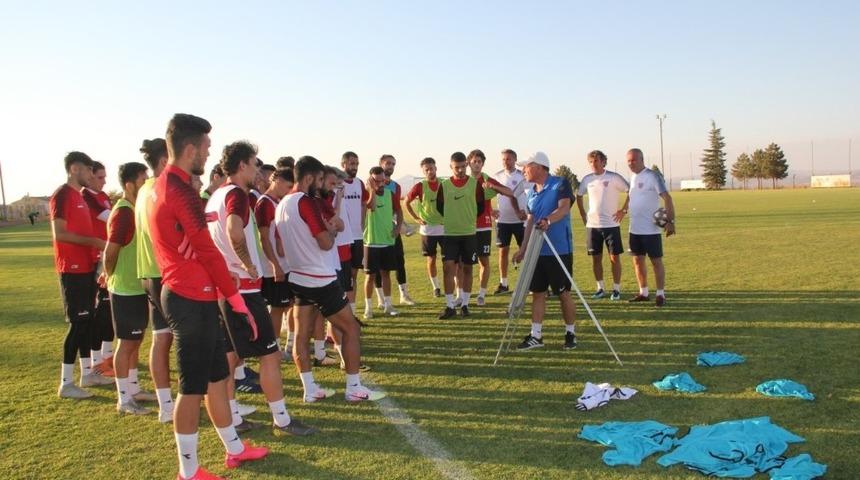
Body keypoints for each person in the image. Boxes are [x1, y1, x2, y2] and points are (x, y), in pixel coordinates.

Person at [149, 114, 268, 480]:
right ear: (190, 149)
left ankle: (234, 449)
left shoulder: (164, 185)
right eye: (206, 147)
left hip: (196, 295)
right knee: (192, 388)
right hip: (188, 299)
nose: (208, 154)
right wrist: (237, 301)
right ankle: (188, 471)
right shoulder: (178, 190)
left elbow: (193, 246)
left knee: (217, 377)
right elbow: (205, 250)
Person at [206, 141, 317, 437]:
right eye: (255, 163)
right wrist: (246, 263)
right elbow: (234, 231)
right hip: (242, 291)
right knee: (269, 356)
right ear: (242, 165)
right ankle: (282, 419)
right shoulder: (236, 195)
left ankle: (233, 417)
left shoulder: (215, 196)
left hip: (224, 289)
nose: (258, 170)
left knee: (231, 356)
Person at [275, 156, 384, 403]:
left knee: (301, 335)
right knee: (351, 328)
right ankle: (354, 387)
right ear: (309, 178)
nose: (322, 184)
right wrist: (331, 232)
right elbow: (325, 242)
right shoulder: (305, 202)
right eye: (320, 179)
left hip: (298, 276)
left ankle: (310, 389)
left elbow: (282, 245)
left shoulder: (282, 204)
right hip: (319, 277)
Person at [51, 151, 110, 399]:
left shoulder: (79, 196)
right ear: (75, 169)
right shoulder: (62, 194)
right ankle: (66, 384)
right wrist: (95, 241)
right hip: (72, 268)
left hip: (87, 267)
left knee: (86, 321)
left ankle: (87, 374)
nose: (90, 174)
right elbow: (60, 234)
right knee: (78, 324)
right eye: (87, 170)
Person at [513, 152, 577, 350]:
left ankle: (570, 333)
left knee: (563, 293)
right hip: (536, 251)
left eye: (526, 167)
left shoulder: (560, 183)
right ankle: (536, 335)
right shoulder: (531, 191)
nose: (523, 170)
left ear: (539, 167)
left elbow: (564, 208)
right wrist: (523, 248)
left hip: (559, 249)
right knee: (538, 293)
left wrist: (548, 220)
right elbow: (530, 220)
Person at [103, 161, 154, 415]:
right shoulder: (123, 213)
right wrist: (109, 275)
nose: (146, 183)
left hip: (137, 286)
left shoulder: (135, 208)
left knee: (136, 340)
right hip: (125, 288)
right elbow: (110, 252)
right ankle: (124, 399)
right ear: (129, 184)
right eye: (143, 179)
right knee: (126, 343)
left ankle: (134, 388)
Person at [135, 138, 176, 423]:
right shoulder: (161, 189)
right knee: (185, 339)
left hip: (149, 273)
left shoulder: (143, 190)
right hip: (165, 273)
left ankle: (166, 406)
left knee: (162, 338)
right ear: (164, 161)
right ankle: (194, 401)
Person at [575, 150, 630, 301]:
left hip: (611, 225)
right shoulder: (587, 179)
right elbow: (578, 196)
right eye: (591, 162)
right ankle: (600, 288)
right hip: (592, 226)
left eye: (596, 161)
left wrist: (623, 210)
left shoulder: (613, 177)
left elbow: (630, 191)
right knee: (596, 259)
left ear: (603, 162)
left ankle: (616, 289)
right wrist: (583, 214)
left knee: (614, 258)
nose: (593, 164)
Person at [436, 152, 485, 319]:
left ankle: (465, 305)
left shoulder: (475, 184)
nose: (460, 170)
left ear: (467, 165)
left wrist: (467, 219)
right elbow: (440, 207)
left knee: (468, 268)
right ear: (451, 167)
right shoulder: (444, 185)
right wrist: (453, 219)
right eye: (457, 167)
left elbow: (480, 208)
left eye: (463, 166)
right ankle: (450, 306)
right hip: (450, 234)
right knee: (448, 268)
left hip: (469, 233)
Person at [625, 148, 675, 307]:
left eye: (634, 160)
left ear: (642, 159)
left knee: (656, 262)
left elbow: (667, 198)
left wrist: (670, 221)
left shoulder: (652, 176)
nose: (631, 163)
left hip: (651, 230)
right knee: (637, 261)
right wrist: (623, 210)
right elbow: (631, 197)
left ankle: (660, 294)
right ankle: (643, 292)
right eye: (628, 161)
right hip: (634, 229)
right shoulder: (633, 178)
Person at [467, 149, 516, 306]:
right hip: (466, 227)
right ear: (469, 163)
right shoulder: (463, 180)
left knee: (484, 261)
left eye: (479, 162)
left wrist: (493, 187)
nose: (477, 164)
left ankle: (481, 294)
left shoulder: (487, 179)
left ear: (483, 164)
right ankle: (462, 295)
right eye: (474, 161)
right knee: (463, 264)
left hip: (483, 227)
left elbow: (509, 192)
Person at [255, 168, 294, 355]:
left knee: (291, 304)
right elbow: (264, 238)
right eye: (287, 186)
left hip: (285, 264)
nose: (288, 191)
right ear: (277, 180)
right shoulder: (264, 203)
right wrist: (275, 265)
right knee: (277, 308)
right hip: (274, 267)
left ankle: (290, 344)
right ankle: (275, 347)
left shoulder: (278, 202)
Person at [82, 161, 115, 375]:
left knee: (110, 308)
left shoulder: (103, 196)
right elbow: (109, 218)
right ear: (90, 175)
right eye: (100, 177)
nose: (104, 181)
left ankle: (107, 355)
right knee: (100, 309)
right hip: (94, 258)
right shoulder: (86, 196)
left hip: (107, 254)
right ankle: (96, 359)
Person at [375, 155, 415, 306]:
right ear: (381, 164)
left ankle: (404, 295)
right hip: (376, 231)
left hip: (392, 231)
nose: (391, 166)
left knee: (399, 261)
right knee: (378, 266)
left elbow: (396, 209)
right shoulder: (370, 184)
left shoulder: (396, 186)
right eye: (388, 163)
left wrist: (401, 226)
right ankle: (381, 299)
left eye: (393, 164)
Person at [362, 166, 401, 319]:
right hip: (371, 242)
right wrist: (372, 189)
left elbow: (399, 210)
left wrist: (398, 227)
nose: (380, 184)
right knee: (370, 276)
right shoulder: (366, 194)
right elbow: (371, 206)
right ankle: (368, 308)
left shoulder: (390, 194)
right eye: (376, 181)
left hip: (387, 241)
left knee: (386, 274)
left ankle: (388, 305)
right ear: (371, 180)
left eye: (382, 180)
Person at [405, 157, 444, 297]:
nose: (429, 171)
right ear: (423, 171)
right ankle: (436, 287)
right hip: (428, 230)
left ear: (436, 168)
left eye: (431, 168)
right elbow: (406, 202)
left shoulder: (445, 184)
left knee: (450, 260)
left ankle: (455, 287)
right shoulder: (420, 186)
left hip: (445, 228)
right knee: (431, 259)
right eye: (426, 170)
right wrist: (416, 218)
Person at [492, 149, 529, 295]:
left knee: (524, 251)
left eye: (508, 159)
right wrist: (491, 210)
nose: (505, 162)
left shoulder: (522, 175)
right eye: (503, 159)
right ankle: (504, 283)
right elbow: (487, 195)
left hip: (521, 221)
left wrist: (525, 212)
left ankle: (529, 282)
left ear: (514, 160)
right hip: (502, 221)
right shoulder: (497, 176)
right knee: (503, 252)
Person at [339, 151, 368, 314]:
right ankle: (341, 311)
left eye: (356, 164)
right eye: (351, 163)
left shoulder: (359, 183)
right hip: (342, 238)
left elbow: (364, 204)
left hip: (357, 236)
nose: (355, 167)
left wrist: (362, 222)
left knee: (353, 275)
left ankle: (352, 312)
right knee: (342, 276)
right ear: (343, 164)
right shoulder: (338, 183)